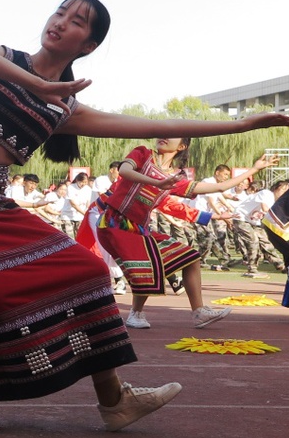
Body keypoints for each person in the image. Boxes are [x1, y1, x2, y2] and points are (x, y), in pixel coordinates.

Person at [0, 0, 289, 433]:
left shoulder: (67, 109)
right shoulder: (0, 57)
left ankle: (115, 401)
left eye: (77, 22)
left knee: (86, 269)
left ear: (88, 46)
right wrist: (40, 86)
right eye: (60, 12)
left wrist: (241, 125)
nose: (61, 22)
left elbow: (155, 127)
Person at [84, 139, 274, 330]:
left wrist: (254, 169)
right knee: (147, 264)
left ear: (181, 147)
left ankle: (196, 312)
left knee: (191, 258)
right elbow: (125, 171)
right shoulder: (143, 154)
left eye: (172, 134)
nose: (164, 135)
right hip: (114, 223)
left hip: (139, 229)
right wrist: (159, 182)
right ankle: (129, 310)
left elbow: (218, 188)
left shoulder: (174, 180)